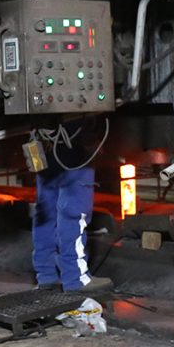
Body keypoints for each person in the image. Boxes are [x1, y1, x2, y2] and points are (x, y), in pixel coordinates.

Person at [32, 116, 112, 295]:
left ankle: (46, 275)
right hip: (73, 136)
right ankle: (76, 278)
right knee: (74, 211)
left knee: (45, 209)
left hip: (40, 138)